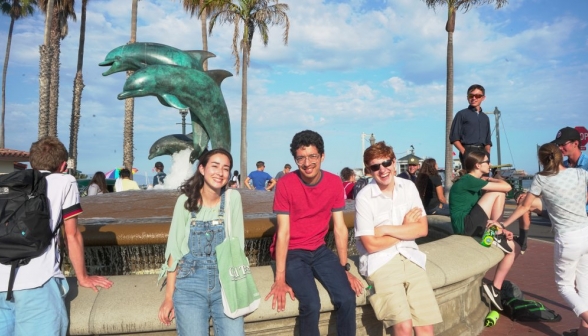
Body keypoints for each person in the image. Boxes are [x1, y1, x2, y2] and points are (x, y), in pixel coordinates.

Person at [0, 136, 113, 335]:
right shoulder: (64, 181)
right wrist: (83, 277)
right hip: (37, 282)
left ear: (32, 162)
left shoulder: (8, 183)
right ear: (62, 165)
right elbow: (72, 234)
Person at [265, 130, 363, 336]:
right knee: (310, 303)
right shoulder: (285, 184)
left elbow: (339, 228)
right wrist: (279, 278)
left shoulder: (334, 182)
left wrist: (344, 268)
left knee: (346, 298)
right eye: (301, 158)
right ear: (295, 159)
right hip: (293, 252)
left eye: (312, 156)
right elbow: (283, 233)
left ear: (322, 156)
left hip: (319, 250)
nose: (307, 163)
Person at [355, 141, 442, 336]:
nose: (382, 170)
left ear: (394, 163)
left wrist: (386, 229)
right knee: (403, 327)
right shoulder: (364, 197)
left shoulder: (408, 187)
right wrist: (405, 229)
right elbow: (370, 245)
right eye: (375, 167)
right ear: (369, 170)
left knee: (426, 327)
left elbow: (422, 229)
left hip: (411, 258)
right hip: (381, 263)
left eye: (386, 163)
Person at [500, 143, 588, 336]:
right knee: (583, 283)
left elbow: (524, 207)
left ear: (541, 160)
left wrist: (504, 224)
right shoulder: (580, 174)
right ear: (559, 155)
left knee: (564, 286)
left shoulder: (541, 179)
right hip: (585, 233)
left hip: (568, 238)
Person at [158, 148, 245, 335]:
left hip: (226, 283)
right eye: (215, 166)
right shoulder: (185, 201)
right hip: (190, 284)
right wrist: (168, 297)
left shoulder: (232, 199)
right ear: (202, 169)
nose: (220, 173)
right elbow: (174, 249)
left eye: (225, 168)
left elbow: (238, 245)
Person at [449, 150, 514, 311]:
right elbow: (507, 187)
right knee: (497, 191)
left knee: (513, 248)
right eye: (487, 162)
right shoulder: (468, 180)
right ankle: (495, 230)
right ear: (478, 165)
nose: (489, 164)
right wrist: (490, 178)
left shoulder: (474, 181)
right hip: (465, 226)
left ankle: (495, 289)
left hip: (470, 224)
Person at [514, 126, 588, 253]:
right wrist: (531, 196)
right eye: (558, 145)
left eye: (563, 144)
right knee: (524, 202)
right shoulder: (561, 166)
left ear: (576, 144)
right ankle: (522, 242)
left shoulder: (585, 166)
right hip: (558, 207)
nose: (559, 148)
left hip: (579, 213)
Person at [449, 84, 492, 167]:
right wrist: (464, 151)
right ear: (467, 97)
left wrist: (487, 153)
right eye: (471, 95)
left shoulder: (485, 118)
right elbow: (454, 137)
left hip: (483, 152)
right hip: (468, 151)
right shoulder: (461, 114)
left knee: (483, 178)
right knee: (470, 177)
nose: (474, 98)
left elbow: (488, 140)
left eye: (478, 96)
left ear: (483, 98)